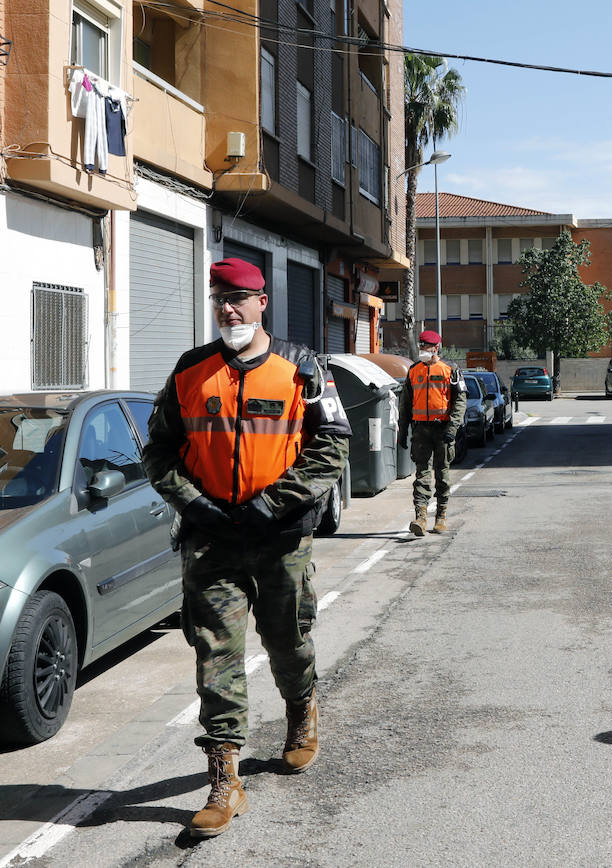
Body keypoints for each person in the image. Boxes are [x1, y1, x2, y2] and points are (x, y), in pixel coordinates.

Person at [142, 257, 351, 837]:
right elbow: (157, 453)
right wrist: (195, 504)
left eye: (238, 297)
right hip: (213, 542)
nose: (228, 308)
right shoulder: (190, 370)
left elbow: (331, 447)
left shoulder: (302, 367)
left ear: (263, 303)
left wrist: (271, 504)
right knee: (217, 657)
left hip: (280, 539)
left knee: (287, 642)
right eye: (219, 299)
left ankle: (301, 709)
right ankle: (224, 779)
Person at [397, 330, 465, 536]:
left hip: (443, 430)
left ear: (436, 348)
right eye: (420, 346)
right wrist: (402, 430)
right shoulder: (413, 370)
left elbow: (460, 401)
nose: (422, 350)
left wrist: (452, 429)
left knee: (442, 475)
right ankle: (421, 517)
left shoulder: (450, 370)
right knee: (422, 475)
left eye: (425, 347)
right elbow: (405, 403)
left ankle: (441, 517)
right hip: (421, 431)